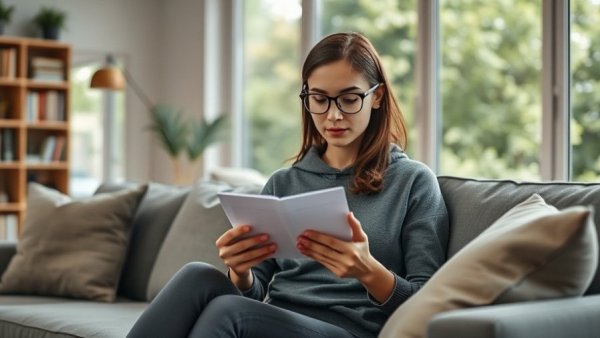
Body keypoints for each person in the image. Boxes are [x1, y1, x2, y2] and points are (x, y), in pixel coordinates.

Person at [127, 32, 449, 338]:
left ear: (376, 97)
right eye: (319, 99)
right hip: (274, 321)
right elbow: (256, 292)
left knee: (229, 312)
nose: (333, 116)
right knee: (198, 274)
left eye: (349, 99)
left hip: (350, 330)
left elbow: (427, 305)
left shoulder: (413, 182)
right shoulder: (284, 182)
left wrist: (367, 270)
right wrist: (241, 272)